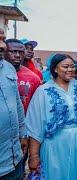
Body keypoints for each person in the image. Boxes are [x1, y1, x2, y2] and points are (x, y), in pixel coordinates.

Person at [25, 54, 77, 179]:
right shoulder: (43, 91)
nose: (70, 70)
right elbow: (34, 125)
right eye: (65, 66)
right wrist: (34, 156)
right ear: (55, 69)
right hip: (55, 146)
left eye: (72, 66)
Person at [0, 38, 27, 179]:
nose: (2, 45)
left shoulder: (8, 68)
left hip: (14, 158)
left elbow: (17, 104)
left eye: (2, 39)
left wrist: (23, 134)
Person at [5, 39, 41, 113]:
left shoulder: (34, 78)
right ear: (4, 52)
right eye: (12, 51)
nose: (17, 55)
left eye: (21, 52)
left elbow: (36, 107)